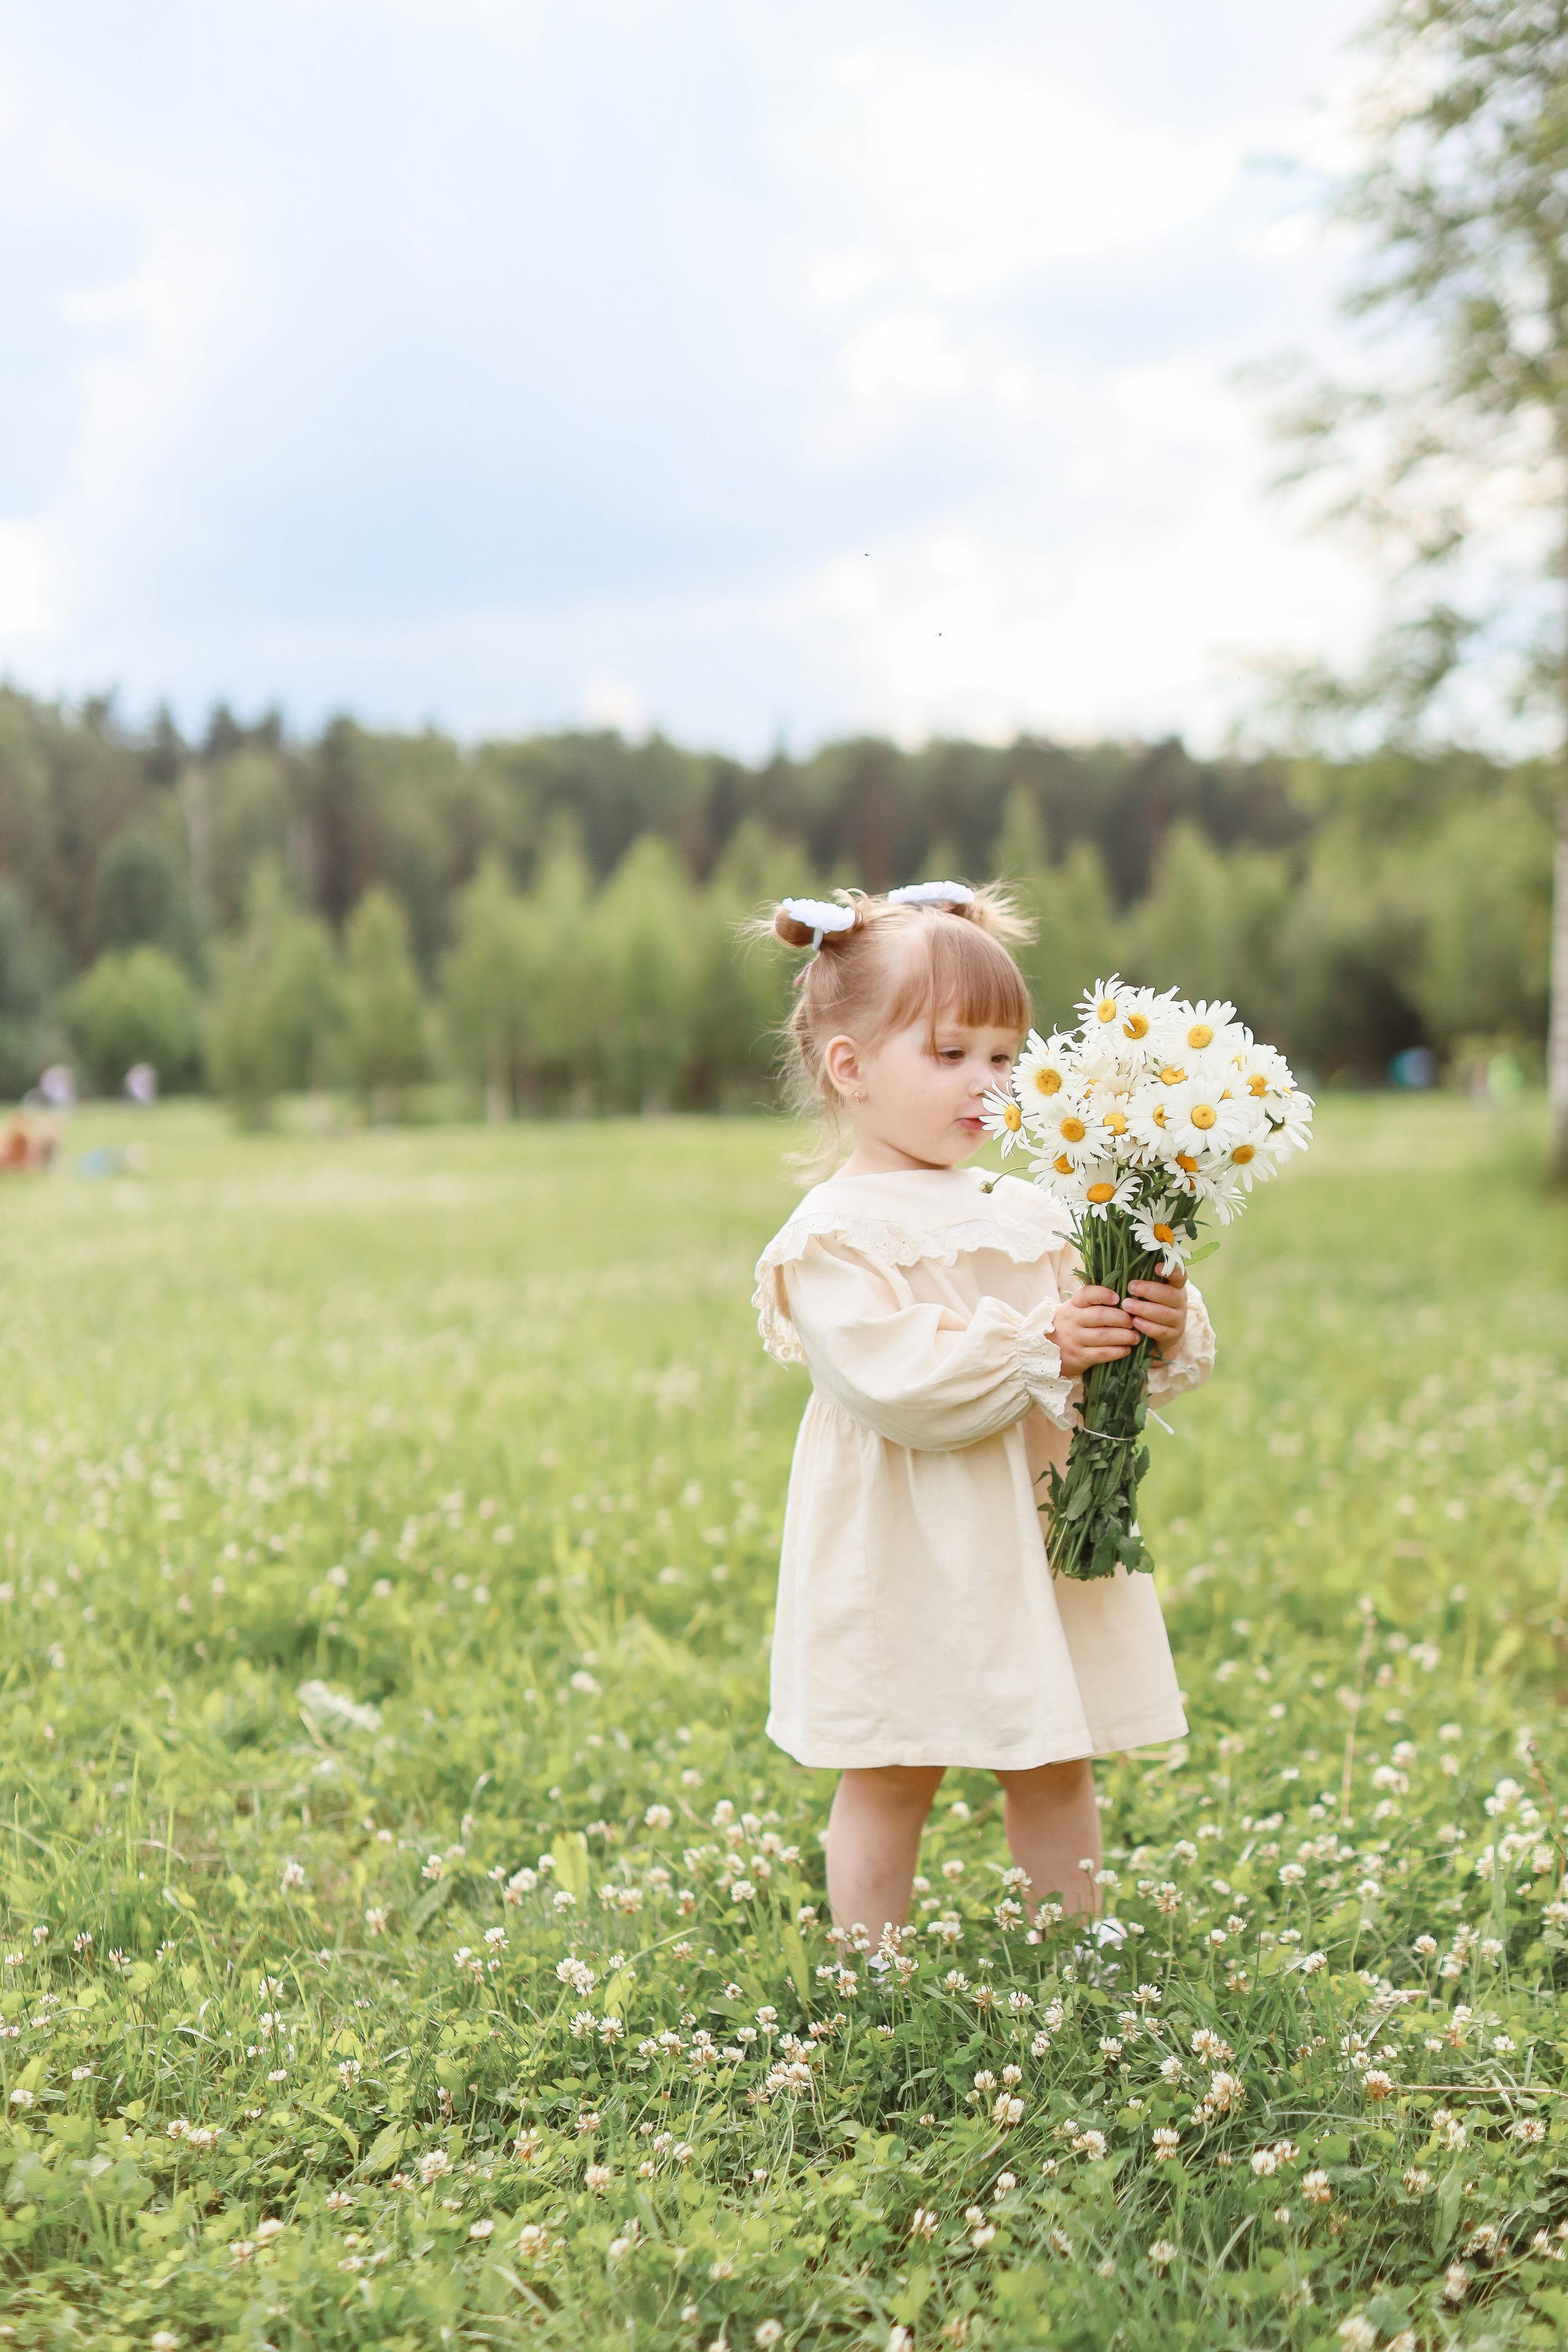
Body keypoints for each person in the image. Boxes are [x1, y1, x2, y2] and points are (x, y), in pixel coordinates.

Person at [751, 881, 1215, 1944]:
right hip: (904, 1546)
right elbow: (893, 1382)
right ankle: (871, 1964)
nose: (988, 1083)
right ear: (851, 1069)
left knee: (1055, 1758)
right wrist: (1038, 1341)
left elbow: (1112, 1370)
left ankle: (1074, 1953)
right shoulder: (835, 1233)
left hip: (1030, 1532)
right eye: (951, 1054)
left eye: (1006, 1058)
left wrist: (1153, 1321)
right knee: (892, 1767)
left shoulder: (1036, 1207)